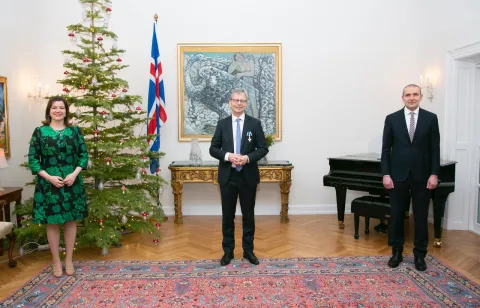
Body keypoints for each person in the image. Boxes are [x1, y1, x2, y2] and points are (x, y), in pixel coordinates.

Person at [381, 84, 440, 271]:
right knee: (397, 215)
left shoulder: (431, 119)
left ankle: (420, 255)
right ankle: (396, 252)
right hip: (397, 176)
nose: (411, 97)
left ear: (421, 97)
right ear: (402, 98)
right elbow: (385, 150)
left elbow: (435, 149)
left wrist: (434, 173)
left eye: (415, 94)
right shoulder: (391, 119)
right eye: (408, 95)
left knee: (421, 217)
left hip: (423, 176)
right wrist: (386, 174)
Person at [28, 96, 88, 277]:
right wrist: (49, 177)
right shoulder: (40, 132)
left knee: (71, 220)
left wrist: (74, 173)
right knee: (52, 223)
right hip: (49, 185)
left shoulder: (75, 131)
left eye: (61, 107)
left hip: (72, 182)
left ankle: (68, 259)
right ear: (49, 111)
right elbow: (33, 159)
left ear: (66, 111)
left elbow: (83, 156)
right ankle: (55, 260)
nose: (58, 110)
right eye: (54, 107)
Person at [209, 88, 268, 266]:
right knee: (228, 216)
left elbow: (263, 148)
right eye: (235, 100)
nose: (238, 103)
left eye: (242, 101)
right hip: (228, 177)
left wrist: (247, 158)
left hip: (248, 177)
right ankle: (228, 252)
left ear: (246, 104)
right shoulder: (222, 124)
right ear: (230, 102)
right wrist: (228, 156)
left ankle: (248, 252)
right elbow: (213, 148)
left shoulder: (255, 124)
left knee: (248, 216)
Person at [227, 53, 259, 118]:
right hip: (241, 87)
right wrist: (233, 64)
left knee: (254, 105)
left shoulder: (250, 61)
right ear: (235, 59)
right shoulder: (235, 65)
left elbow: (252, 73)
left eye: (240, 55)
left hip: (251, 85)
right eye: (237, 57)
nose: (240, 57)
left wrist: (241, 74)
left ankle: (256, 123)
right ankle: (250, 123)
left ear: (243, 56)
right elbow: (229, 76)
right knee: (246, 105)